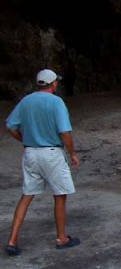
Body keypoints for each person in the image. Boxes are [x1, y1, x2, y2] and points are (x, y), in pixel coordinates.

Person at [5, 69, 80, 256]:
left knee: (27, 194)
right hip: (52, 153)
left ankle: (12, 240)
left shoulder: (26, 101)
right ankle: (61, 237)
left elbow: (10, 125)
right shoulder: (56, 102)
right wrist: (73, 153)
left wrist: (24, 139)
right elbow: (64, 132)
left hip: (31, 153)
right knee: (60, 194)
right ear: (53, 84)